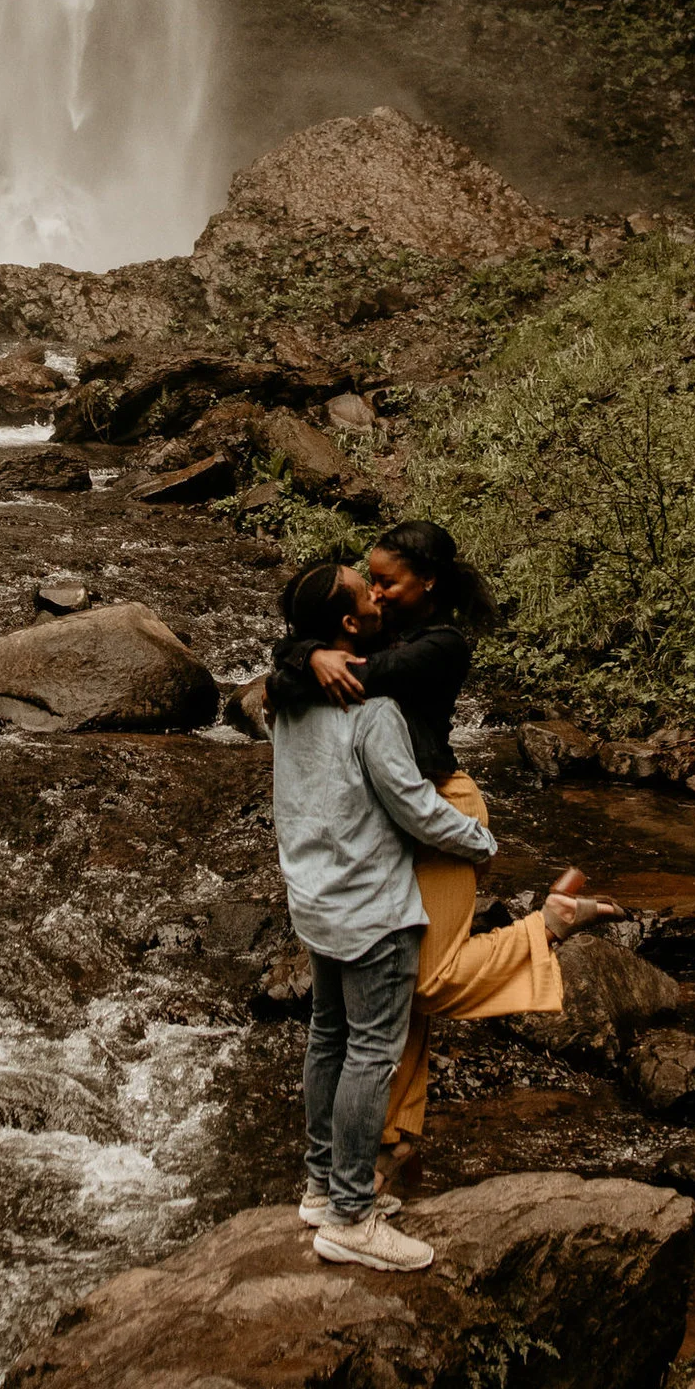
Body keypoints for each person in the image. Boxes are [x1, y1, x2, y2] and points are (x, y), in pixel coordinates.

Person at [270, 522, 618, 1194]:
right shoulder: (364, 634)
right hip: (393, 815)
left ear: (425, 583)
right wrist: (310, 653)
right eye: (368, 580)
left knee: (421, 982)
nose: (376, 588)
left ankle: (547, 925)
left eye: (386, 581)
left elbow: (363, 676)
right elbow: (298, 662)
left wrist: (309, 657)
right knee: (392, 997)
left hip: (440, 811)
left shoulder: (440, 646)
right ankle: (392, 1141)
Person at [267, 557, 489, 1272]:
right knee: (371, 1053)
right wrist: (481, 839)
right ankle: (352, 1216)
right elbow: (417, 808)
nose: (377, 592)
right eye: (366, 590)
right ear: (347, 622)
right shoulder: (373, 708)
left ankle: (321, 1185)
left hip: (316, 897)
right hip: (372, 906)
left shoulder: (289, 698)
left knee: (327, 1039)